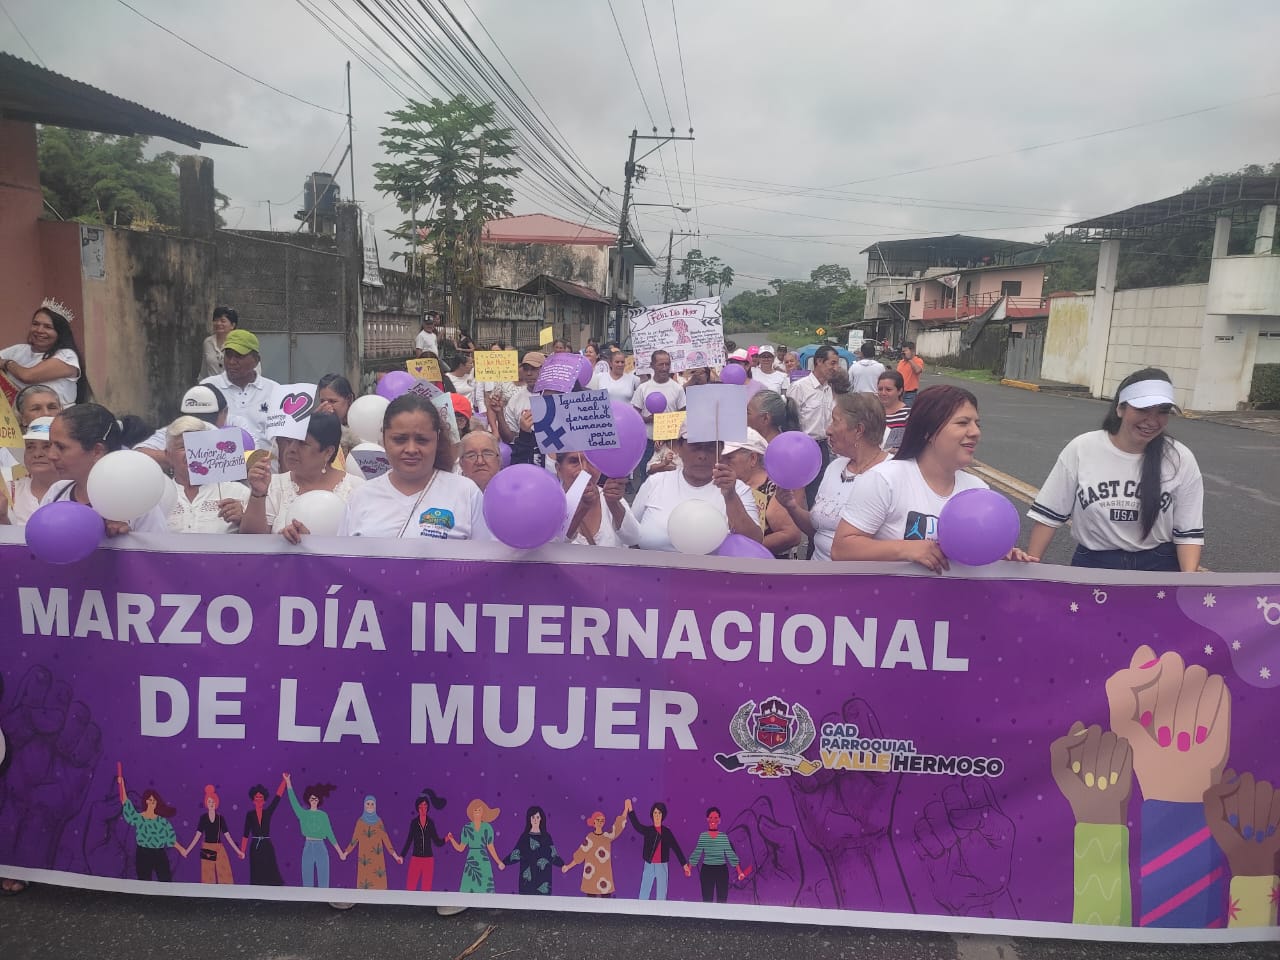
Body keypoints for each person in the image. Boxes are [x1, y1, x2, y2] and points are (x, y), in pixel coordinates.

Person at [831, 385, 1031, 572]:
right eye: (963, 423)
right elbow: (841, 550)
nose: (975, 432)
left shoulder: (978, 490)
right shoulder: (885, 479)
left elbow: (975, 556)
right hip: (892, 598)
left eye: (977, 424)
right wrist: (906, 549)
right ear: (928, 431)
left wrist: (1001, 556)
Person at [1026, 367, 1203, 572]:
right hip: (1095, 563)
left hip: (1159, 565)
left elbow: (1188, 533)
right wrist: (1029, 572)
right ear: (1120, 408)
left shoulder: (1180, 458)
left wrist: (1188, 582)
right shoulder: (1082, 448)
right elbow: (1049, 516)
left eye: (1162, 411)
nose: (1152, 421)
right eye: (1143, 409)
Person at [338, 393, 490, 540]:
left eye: (422, 440)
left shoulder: (466, 494)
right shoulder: (361, 497)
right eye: (399, 440)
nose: (411, 449)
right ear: (384, 438)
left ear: (437, 439)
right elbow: (343, 556)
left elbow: (486, 554)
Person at [778, 393, 887, 562]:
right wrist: (792, 507)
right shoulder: (835, 467)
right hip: (818, 572)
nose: (828, 430)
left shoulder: (889, 475)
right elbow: (818, 529)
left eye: (835, 422)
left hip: (857, 576)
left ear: (858, 430)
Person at [40, 404, 168, 534]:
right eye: (49, 445)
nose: (51, 455)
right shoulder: (56, 493)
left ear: (97, 451)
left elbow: (158, 545)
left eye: (61, 447)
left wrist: (128, 539)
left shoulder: (137, 500)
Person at [628, 429, 763, 552]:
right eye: (695, 446)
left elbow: (753, 542)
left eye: (710, 448)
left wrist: (730, 497)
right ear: (679, 448)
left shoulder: (738, 489)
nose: (702, 455)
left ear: (720, 450)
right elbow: (630, 535)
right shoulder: (655, 483)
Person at [240, 412, 362, 541]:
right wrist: (257, 495)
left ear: (328, 452)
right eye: (289, 441)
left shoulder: (357, 489)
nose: (291, 449)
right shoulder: (273, 485)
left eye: (302, 444)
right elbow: (250, 541)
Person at [721, 428, 803, 558]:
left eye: (729, 458)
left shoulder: (775, 488)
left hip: (769, 563)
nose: (723, 463)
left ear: (753, 458)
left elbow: (790, 535)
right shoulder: (725, 484)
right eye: (721, 458)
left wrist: (746, 547)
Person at [163, 417, 250, 534]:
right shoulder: (158, 496)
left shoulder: (239, 492)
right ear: (168, 455)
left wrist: (243, 520)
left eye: (198, 445)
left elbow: (258, 537)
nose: (192, 453)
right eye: (183, 447)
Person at [201, 329, 280, 449]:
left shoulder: (275, 390)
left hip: (266, 460)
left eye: (239, 356)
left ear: (256, 360)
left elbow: (283, 438)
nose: (232, 362)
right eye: (228, 355)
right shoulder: (208, 388)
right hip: (219, 459)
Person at [1, 300, 88, 406]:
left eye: (48, 327)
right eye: (35, 324)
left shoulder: (67, 356)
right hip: (18, 414)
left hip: (57, 415)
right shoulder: (18, 350)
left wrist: (7, 363)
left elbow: (27, 376)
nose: (39, 330)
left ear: (60, 332)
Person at [789, 344, 841, 505]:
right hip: (802, 447)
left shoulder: (828, 389)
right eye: (832, 363)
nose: (836, 368)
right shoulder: (800, 387)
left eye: (837, 364)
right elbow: (790, 420)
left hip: (823, 446)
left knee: (819, 490)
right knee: (798, 491)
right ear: (819, 361)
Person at [116, 770, 187, 882]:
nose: (152, 802)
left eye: (154, 800)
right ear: (146, 801)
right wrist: (121, 785)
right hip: (143, 853)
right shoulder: (139, 818)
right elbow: (125, 803)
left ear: (157, 802)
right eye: (150, 800)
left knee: (165, 881)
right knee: (144, 882)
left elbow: (170, 838)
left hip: (159, 853)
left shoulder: (161, 821)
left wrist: (181, 849)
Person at [556, 451, 637, 547]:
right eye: (574, 461)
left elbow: (633, 538)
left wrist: (613, 503)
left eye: (591, 461)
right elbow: (552, 545)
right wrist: (582, 508)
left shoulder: (609, 498)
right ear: (559, 469)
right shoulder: (550, 503)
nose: (584, 469)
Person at [632, 350, 686, 482]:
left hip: (670, 443)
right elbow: (634, 415)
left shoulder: (677, 388)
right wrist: (648, 419)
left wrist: (670, 436)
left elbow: (683, 415)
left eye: (667, 364)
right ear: (652, 365)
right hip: (649, 442)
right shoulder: (643, 388)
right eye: (661, 364)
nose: (665, 368)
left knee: (670, 480)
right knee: (647, 478)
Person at [283, 774, 346, 887]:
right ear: (308, 799)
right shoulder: (303, 814)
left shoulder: (323, 816)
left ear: (319, 800)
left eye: (316, 799)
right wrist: (288, 783)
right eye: (312, 798)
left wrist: (340, 852)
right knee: (307, 880)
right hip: (308, 846)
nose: (314, 801)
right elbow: (294, 802)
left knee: (324, 879)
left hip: (321, 846)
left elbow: (330, 834)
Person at [626, 798, 689, 901]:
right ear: (652, 814)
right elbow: (637, 826)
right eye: (655, 813)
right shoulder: (648, 830)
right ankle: (641, 910)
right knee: (644, 893)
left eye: (659, 813)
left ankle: (660, 911)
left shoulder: (667, 832)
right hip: (649, 865)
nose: (657, 815)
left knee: (661, 895)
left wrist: (684, 865)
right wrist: (630, 809)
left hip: (662, 866)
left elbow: (676, 848)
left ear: (663, 815)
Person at [0, 417, 58, 527]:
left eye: (47, 446)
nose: (37, 454)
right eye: (30, 447)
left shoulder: (78, 491)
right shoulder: (7, 492)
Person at [181, 785, 243, 883]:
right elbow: (197, 836)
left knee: (226, 878)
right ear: (206, 803)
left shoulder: (220, 818)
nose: (211, 804)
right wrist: (187, 851)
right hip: (207, 849)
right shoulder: (203, 818)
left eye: (213, 801)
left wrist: (238, 851)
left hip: (219, 848)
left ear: (216, 803)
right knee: (208, 879)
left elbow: (228, 837)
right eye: (209, 801)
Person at [562, 805, 628, 897]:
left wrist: (626, 809)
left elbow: (618, 827)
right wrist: (568, 867)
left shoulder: (607, 836)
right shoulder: (590, 838)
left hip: (604, 877)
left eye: (602, 820)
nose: (600, 822)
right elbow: (580, 854)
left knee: (606, 901)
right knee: (590, 901)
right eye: (598, 820)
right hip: (591, 876)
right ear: (593, 821)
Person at [445, 798, 505, 894]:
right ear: (471, 812)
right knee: (469, 889)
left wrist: (499, 862)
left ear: (483, 812)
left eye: (479, 810)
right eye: (475, 810)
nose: (477, 812)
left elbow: (490, 847)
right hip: (471, 862)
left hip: (483, 860)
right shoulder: (467, 828)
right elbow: (461, 848)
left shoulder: (487, 827)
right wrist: (452, 839)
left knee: (485, 888)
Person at [502, 806, 564, 895]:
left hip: (543, 877)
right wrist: (504, 863)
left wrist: (562, 865)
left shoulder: (546, 837)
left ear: (541, 819)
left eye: (537, 817)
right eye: (533, 817)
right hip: (527, 879)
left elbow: (553, 854)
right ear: (529, 819)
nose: (535, 820)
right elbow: (516, 853)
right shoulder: (525, 837)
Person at [687, 807, 745, 903]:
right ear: (707, 819)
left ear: (719, 820)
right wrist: (689, 868)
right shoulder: (703, 836)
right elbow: (697, 853)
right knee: (707, 900)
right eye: (711, 817)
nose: (713, 820)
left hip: (721, 871)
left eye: (716, 818)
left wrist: (739, 872)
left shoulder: (723, 837)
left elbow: (730, 854)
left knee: (722, 901)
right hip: (707, 871)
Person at [344, 796, 402, 890]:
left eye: (372, 804)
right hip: (364, 860)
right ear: (364, 805)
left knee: (379, 888)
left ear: (375, 806)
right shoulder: (360, 822)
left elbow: (386, 839)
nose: (370, 806)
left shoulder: (379, 822)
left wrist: (396, 856)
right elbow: (354, 840)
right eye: (368, 804)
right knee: (364, 889)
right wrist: (346, 853)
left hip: (377, 860)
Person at [240, 779, 287, 886]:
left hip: (267, 845)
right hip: (255, 847)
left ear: (264, 800)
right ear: (253, 800)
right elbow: (245, 834)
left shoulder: (268, 812)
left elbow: (277, 798)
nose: (258, 799)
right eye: (256, 797)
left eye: (261, 797)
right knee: (256, 870)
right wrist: (242, 851)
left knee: (270, 868)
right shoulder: (250, 815)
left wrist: (284, 782)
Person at [401, 788, 448, 892]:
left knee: (426, 889)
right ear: (417, 808)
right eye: (421, 806)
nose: (423, 809)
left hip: (428, 860)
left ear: (428, 807)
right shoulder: (414, 823)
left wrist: (446, 839)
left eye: (425, 806)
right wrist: (402, 856)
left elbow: (437, 841)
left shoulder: (430, 823)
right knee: (410, 887)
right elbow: (409, 840)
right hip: (415, 859)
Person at [497, 351, 544, 444]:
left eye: (534, 369)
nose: (529, 373)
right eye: (525, 369)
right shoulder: (515, 399)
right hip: (526, 450)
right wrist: (499, 414)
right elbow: (509, 439)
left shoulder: (556, 397)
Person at [199, 306, 238, 379]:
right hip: (212, 384)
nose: (218, 323)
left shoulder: (239, 343)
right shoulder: (208, 342)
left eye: (223, 321)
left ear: (232, 325)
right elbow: (204, 370)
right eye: (216, 320)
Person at [877, 370, 910, 455]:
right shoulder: (872, 412)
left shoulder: (908, 415)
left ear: (900, 391)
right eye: (880, 389)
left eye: (888, 389)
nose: (883, 393)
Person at [897, 341, 925, 406]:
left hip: (910, 394)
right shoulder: (901, 362)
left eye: (905, 351)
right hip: (899, 392)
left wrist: (909, 359)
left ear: (912, 351)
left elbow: (917, 370)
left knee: (907, 411)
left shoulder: (918, 360)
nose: (903, 353)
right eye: (902, 351)